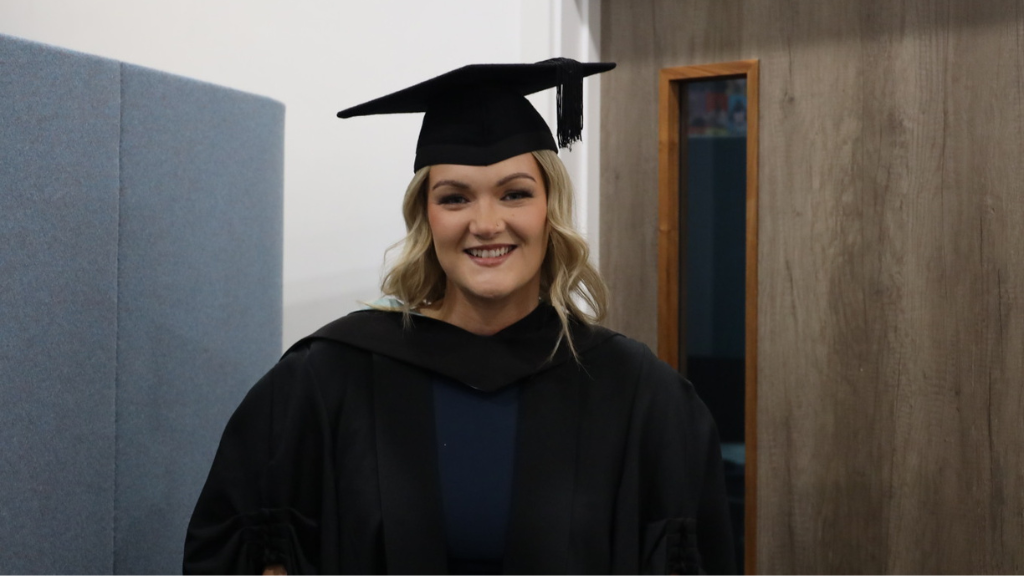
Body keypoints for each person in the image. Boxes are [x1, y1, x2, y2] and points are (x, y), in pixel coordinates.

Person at [183, 58, 735, 575]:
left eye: (515, 194)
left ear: (550, 211)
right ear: (426, 216)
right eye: (455, 198)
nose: (486, 222)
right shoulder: (326, 380)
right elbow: (241, 548)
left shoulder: (638, 393)